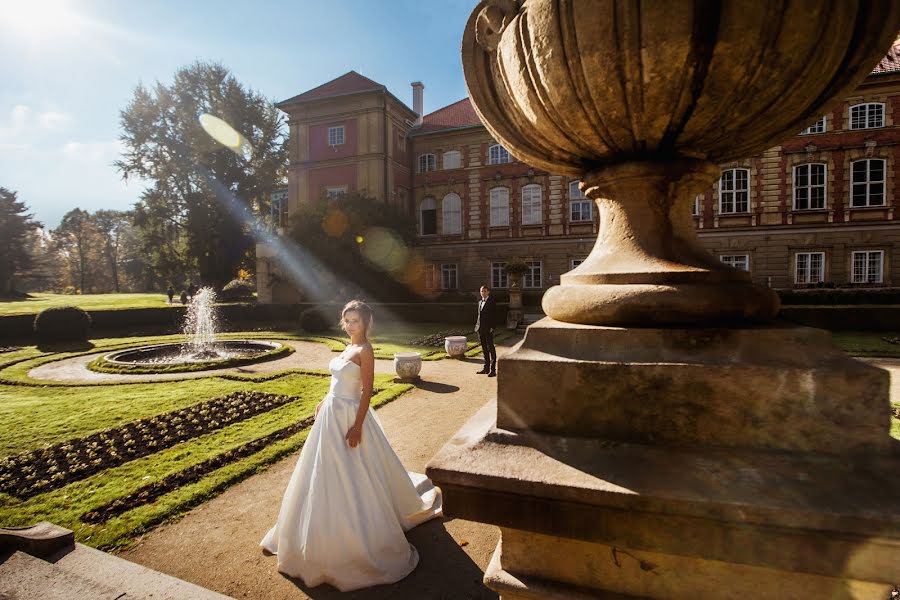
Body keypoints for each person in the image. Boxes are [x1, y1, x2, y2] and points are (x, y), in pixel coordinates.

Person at [261, 300, 442, 591]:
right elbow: (338, 380)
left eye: (355, 320)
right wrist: (324, 400)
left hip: (348, 416)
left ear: (366, 322)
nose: (349, 325)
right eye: (347, 320)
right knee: (321, 471)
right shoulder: (347, 347)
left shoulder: (365, 350)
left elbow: (366, 391)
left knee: (354, 472)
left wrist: (357, 426)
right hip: (331, 414)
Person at [475, 285, 497, 377]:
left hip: (488, 328)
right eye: (481, 291)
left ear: (488, 292)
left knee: (491, 348)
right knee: (484, 349)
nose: (483, 293)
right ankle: (486, 368)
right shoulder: (480, 302)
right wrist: (477, 327)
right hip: (480, 329)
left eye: (484, 291)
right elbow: (479, 316)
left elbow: (494, 315)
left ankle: (493, 370)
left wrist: (492, 327)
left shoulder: (492, 302)